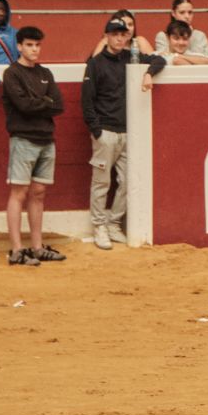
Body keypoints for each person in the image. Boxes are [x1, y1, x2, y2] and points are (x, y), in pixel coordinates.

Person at [81, 17, 163, 251]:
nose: (119, 38)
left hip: (128, 132)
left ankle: (114, 222)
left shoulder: (131, 58)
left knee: (127, 181)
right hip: (105, 132)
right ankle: (99, 226)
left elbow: (158, 59)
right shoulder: (95, 64)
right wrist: (96, 131)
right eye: (115, 34)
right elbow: (87, 102)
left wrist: (149, 73)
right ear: (106, 35)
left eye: (123, 34)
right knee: (102, 182)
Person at [2, 26, 67, 267]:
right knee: (18, 193)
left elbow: (59, 105)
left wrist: (37, 103)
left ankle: (37, 248)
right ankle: (17, 250)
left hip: (46, 140)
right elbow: (23, 106)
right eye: (29, 45)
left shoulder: (45, 73)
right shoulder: (12, 73)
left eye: (37, 45)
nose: (34, 49)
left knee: (39, 193)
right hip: (23, 138)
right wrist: (44, 102)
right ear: (19, 46)